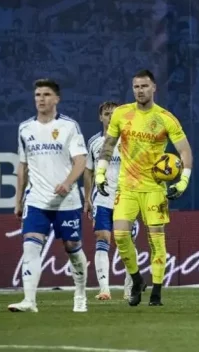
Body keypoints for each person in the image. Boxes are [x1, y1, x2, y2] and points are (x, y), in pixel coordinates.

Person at [94, 69, 193, 307]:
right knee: (119, 235)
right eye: (136, 87)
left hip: (154, 189)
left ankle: (157, 292)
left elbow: (185, 151)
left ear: (154, 88)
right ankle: (137, 279)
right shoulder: (121, 113)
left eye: (144, 86)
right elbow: (108, 144)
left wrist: (183, 180)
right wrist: (100, 171)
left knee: (156, 241)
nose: (140, 91)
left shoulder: (165, 118)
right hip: (126, 187)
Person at [8, 79, 89, 313]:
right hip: (37, 200)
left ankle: (81, 295)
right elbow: (22, 166)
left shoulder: (69, 126)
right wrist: (18, 200)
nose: (40, 99)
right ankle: (29, 301)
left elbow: (81, 161)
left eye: (46, 94)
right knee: (31, 246)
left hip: (67, 200)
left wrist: (67, 182)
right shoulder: (25, 129)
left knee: (72, 247)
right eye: (37, 95)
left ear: (57, 99)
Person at [84, 101, 137, 301]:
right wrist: (87, 198)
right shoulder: (93, 142)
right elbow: (88, 170)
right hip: (102, 199)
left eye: (114, 114)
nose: (110, 117)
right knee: (102, 237)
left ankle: (129, 288)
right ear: (101, 117)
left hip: (125, 198)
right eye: (107, 114)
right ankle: (104, 289)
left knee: (126, 241)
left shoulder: (129, 141)